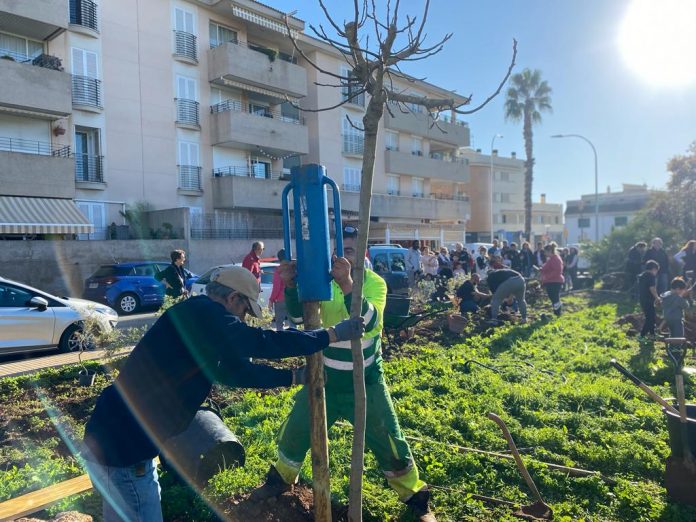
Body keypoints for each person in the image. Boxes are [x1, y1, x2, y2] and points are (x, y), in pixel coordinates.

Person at [81, 266, 364, 522]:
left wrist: (290, 377)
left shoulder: (200, 320)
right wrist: (329, 336)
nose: (243, 319)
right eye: (244, 311)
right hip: (124, 452)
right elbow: (259, 342)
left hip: (118, 443)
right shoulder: (205, 313)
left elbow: (233, 372)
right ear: (233, 299)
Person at [259, 225, 436, 522]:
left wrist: (348, 285)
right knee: (296, 430)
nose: (342, 258)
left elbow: (369, 322)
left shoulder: (375, 283)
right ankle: (280, 479)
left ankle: (416, 499)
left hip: (365, 383)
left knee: (389, 439)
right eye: (339, 251)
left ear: (363, 254)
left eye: (350, 251)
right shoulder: (321, 283)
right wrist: (291, 287)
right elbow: (302, 318)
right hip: (324, 380)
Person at [540, 243, 565, 316]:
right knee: (553, 298)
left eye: (545, 252)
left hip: (554, 281)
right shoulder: (552, 259)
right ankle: (557, 312)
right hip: (551, 281)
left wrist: (547, 277)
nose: (544, 253)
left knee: (555, 298)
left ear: (549, 251)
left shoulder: (555, 259)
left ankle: (557, 313)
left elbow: (557, 271)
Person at [638, 260, 661, 339]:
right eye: (656, 271)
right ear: (654, 269)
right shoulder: (651, 276)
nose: (656, 273)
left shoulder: (642, 275)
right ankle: (642, 335)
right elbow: (652, 288)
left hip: (643, 299)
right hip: (649, 300)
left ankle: (652, 334)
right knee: (650, 318)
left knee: (651, 317)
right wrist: (657, 297)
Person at [269, 249, 287, 331]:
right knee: (293, 322)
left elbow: (276, 287)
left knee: (279, 324)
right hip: (291, 298)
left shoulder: (278, 270)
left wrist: (271, 300)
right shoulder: (293, 268)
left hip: (280, 300)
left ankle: (281, 341)